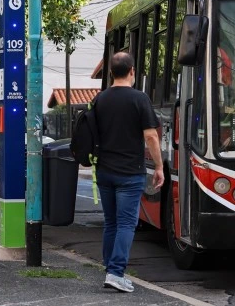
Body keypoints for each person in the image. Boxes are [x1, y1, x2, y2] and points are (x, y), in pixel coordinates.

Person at [94, 52, 164, 293]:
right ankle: (115, 272)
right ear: (132, 71)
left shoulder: (100, 99)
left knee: (111, 222)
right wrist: (159, 166)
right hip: (129, 173)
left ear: (111, 73)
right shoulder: (139, 99)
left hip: (104, 171)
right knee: (126, 223)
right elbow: (151, 136)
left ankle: (109, 270)